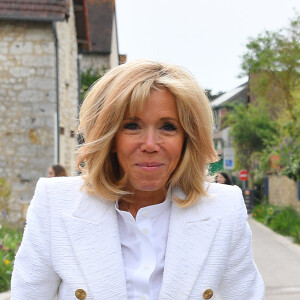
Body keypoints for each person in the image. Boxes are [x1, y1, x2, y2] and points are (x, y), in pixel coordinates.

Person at [11, 60, 264, 299]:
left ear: (187, 139)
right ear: (108, 137)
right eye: (132, 126)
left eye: (168, 127)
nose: (151, 144)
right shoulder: (55, 204)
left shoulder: (224, 208)